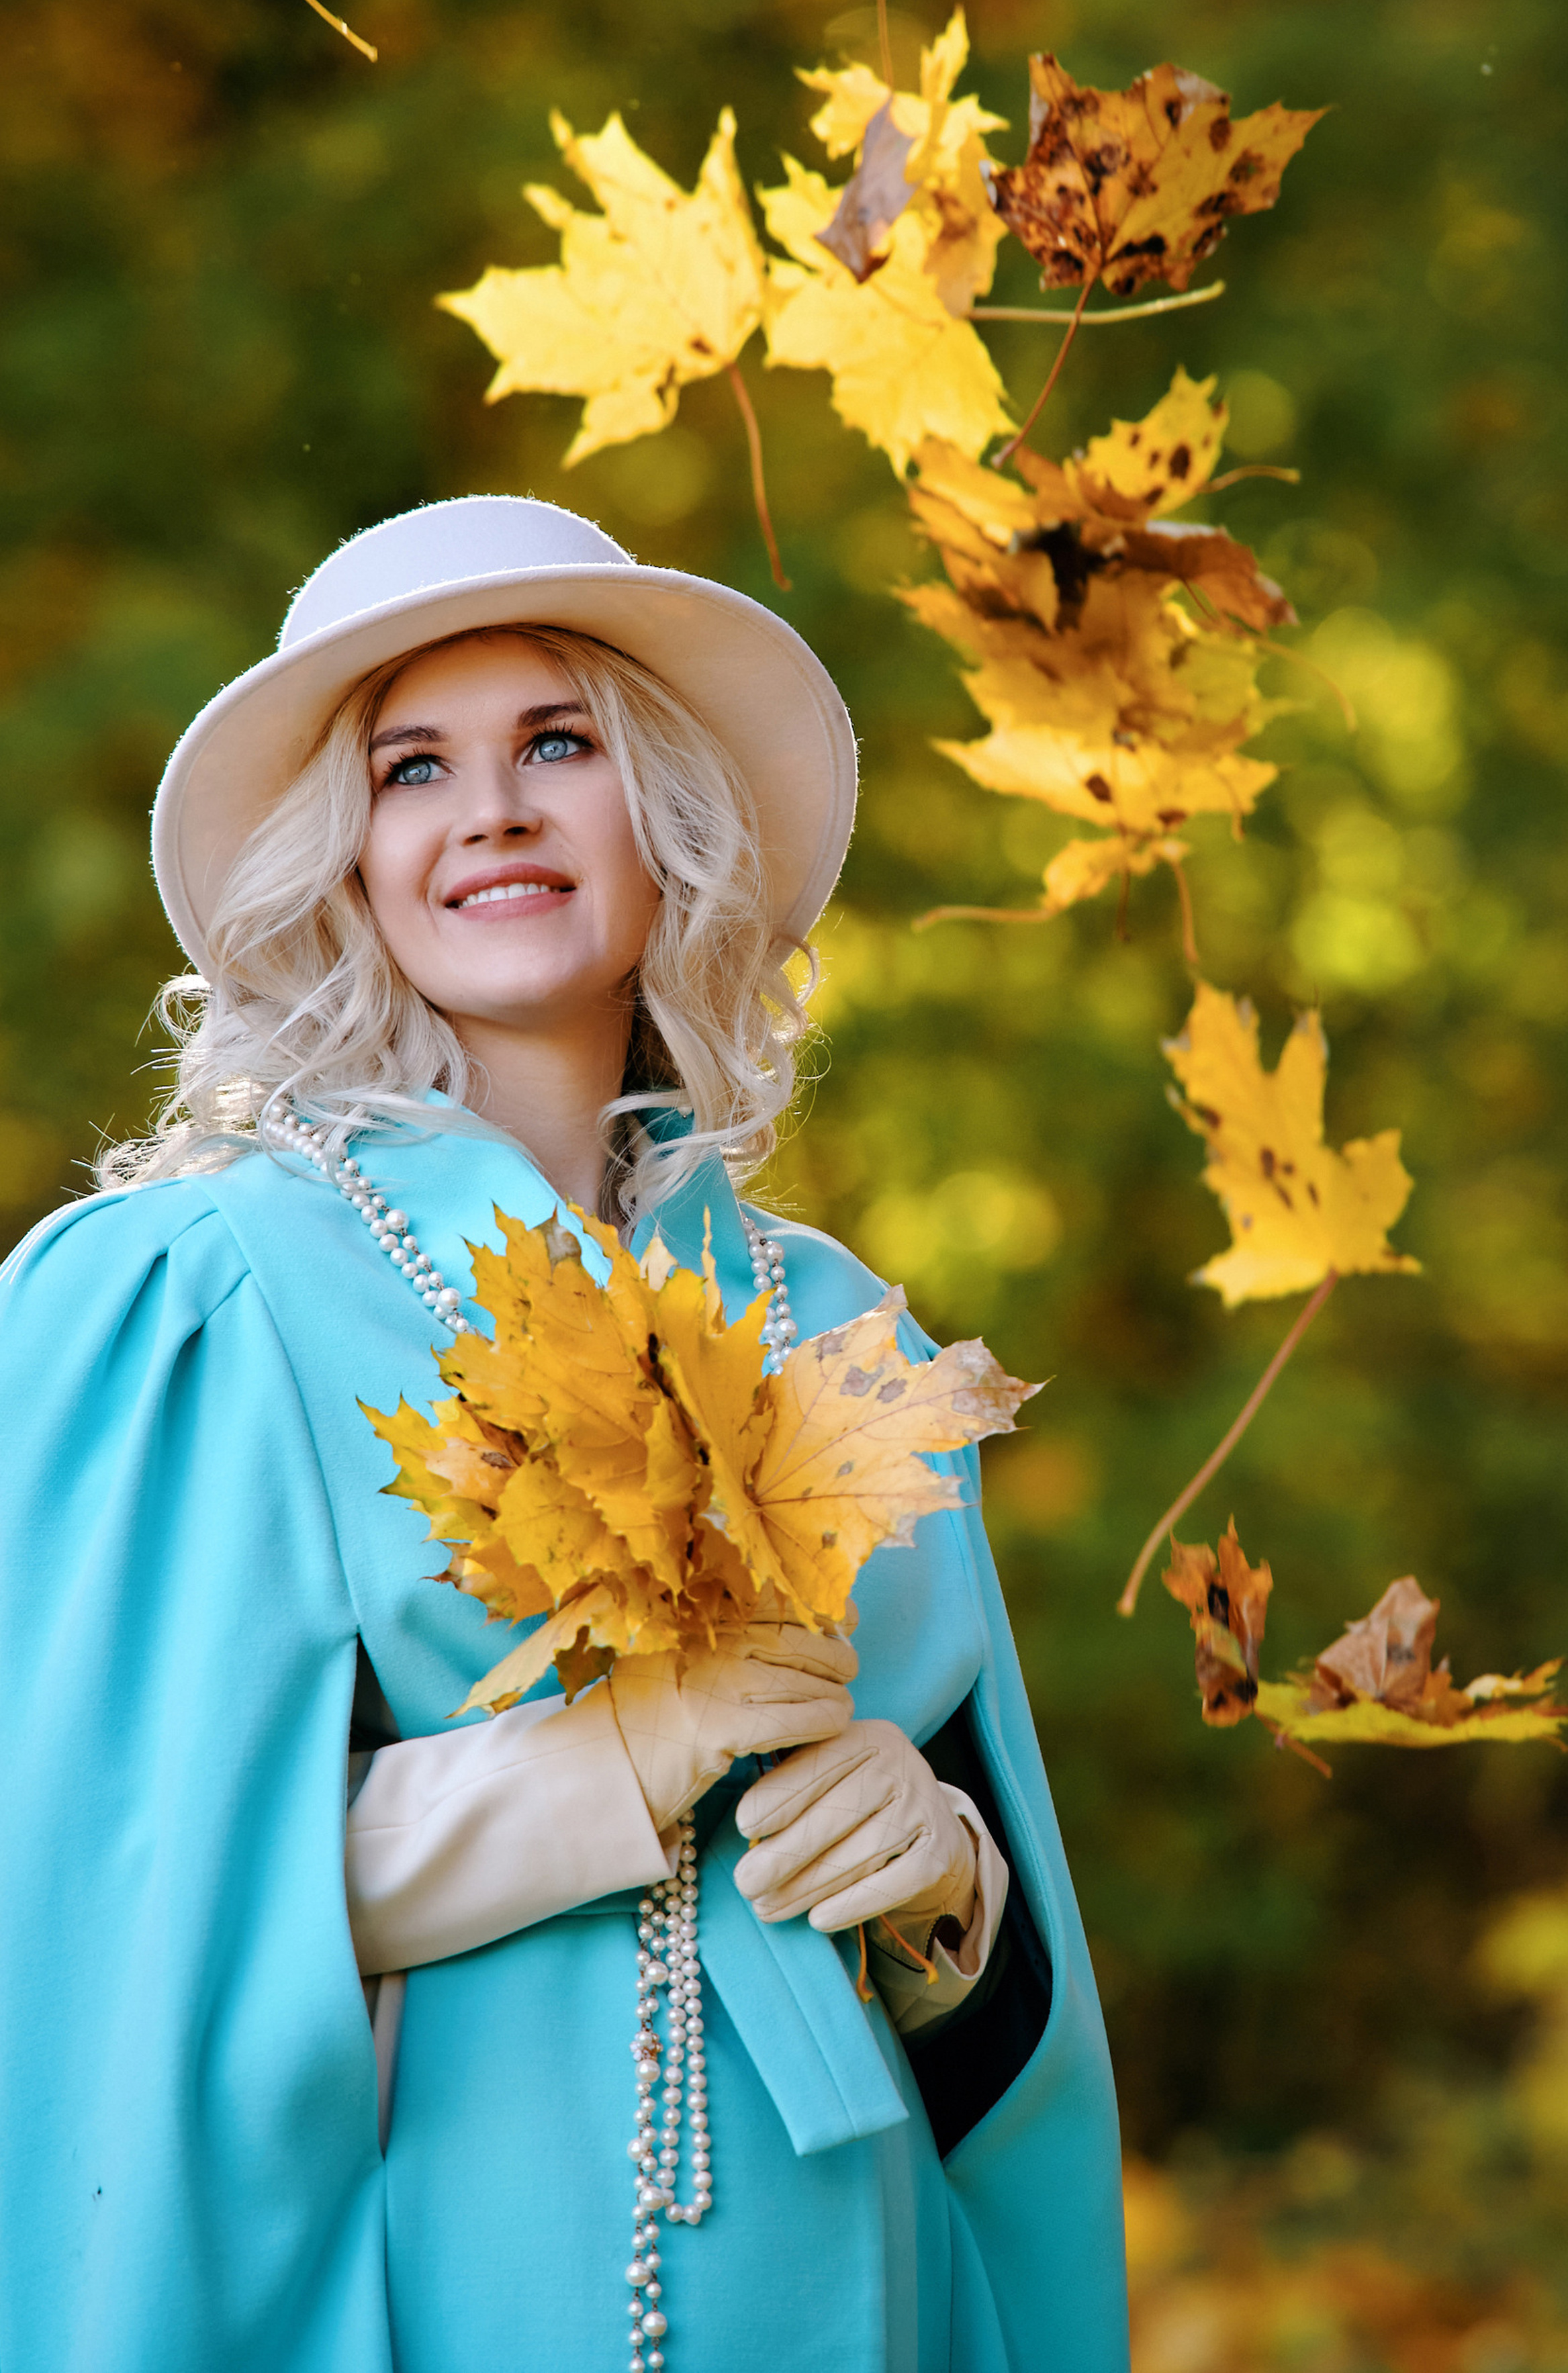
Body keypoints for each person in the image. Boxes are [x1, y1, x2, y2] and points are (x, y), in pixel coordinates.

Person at [0, 495, 1128, 2373]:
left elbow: (995, 1998)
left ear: (661, 814)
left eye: (557, 744)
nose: (493, 811)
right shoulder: (193, 1295)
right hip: (441, 2285)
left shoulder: (837, 1325)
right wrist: (598, 1774)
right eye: (413, 767)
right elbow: (113, 1906)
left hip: (864, 2291)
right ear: (344, 859)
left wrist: (945, 1883)